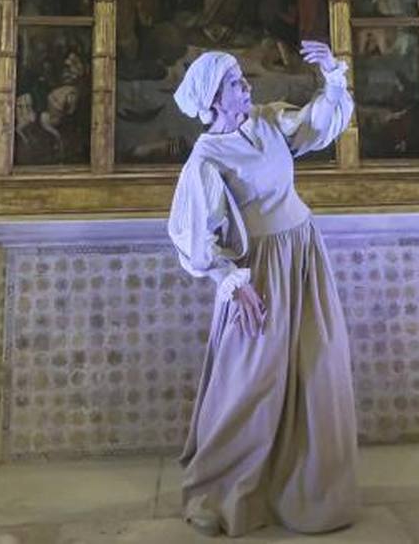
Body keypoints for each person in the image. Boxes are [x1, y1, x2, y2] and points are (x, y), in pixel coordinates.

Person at [167, 42, 359, 538]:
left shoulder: (269, 120)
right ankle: (220, 486)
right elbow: (194, 237)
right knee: (251, 378)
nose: (245, 84)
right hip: (262, 269)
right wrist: (232, 283)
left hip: (303, 254)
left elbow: (319, 124)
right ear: (212, 98)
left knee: (316, 363)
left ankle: (301, 484)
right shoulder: (206, 158)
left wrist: (332, 75)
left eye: (242, 76)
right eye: (234, 81)